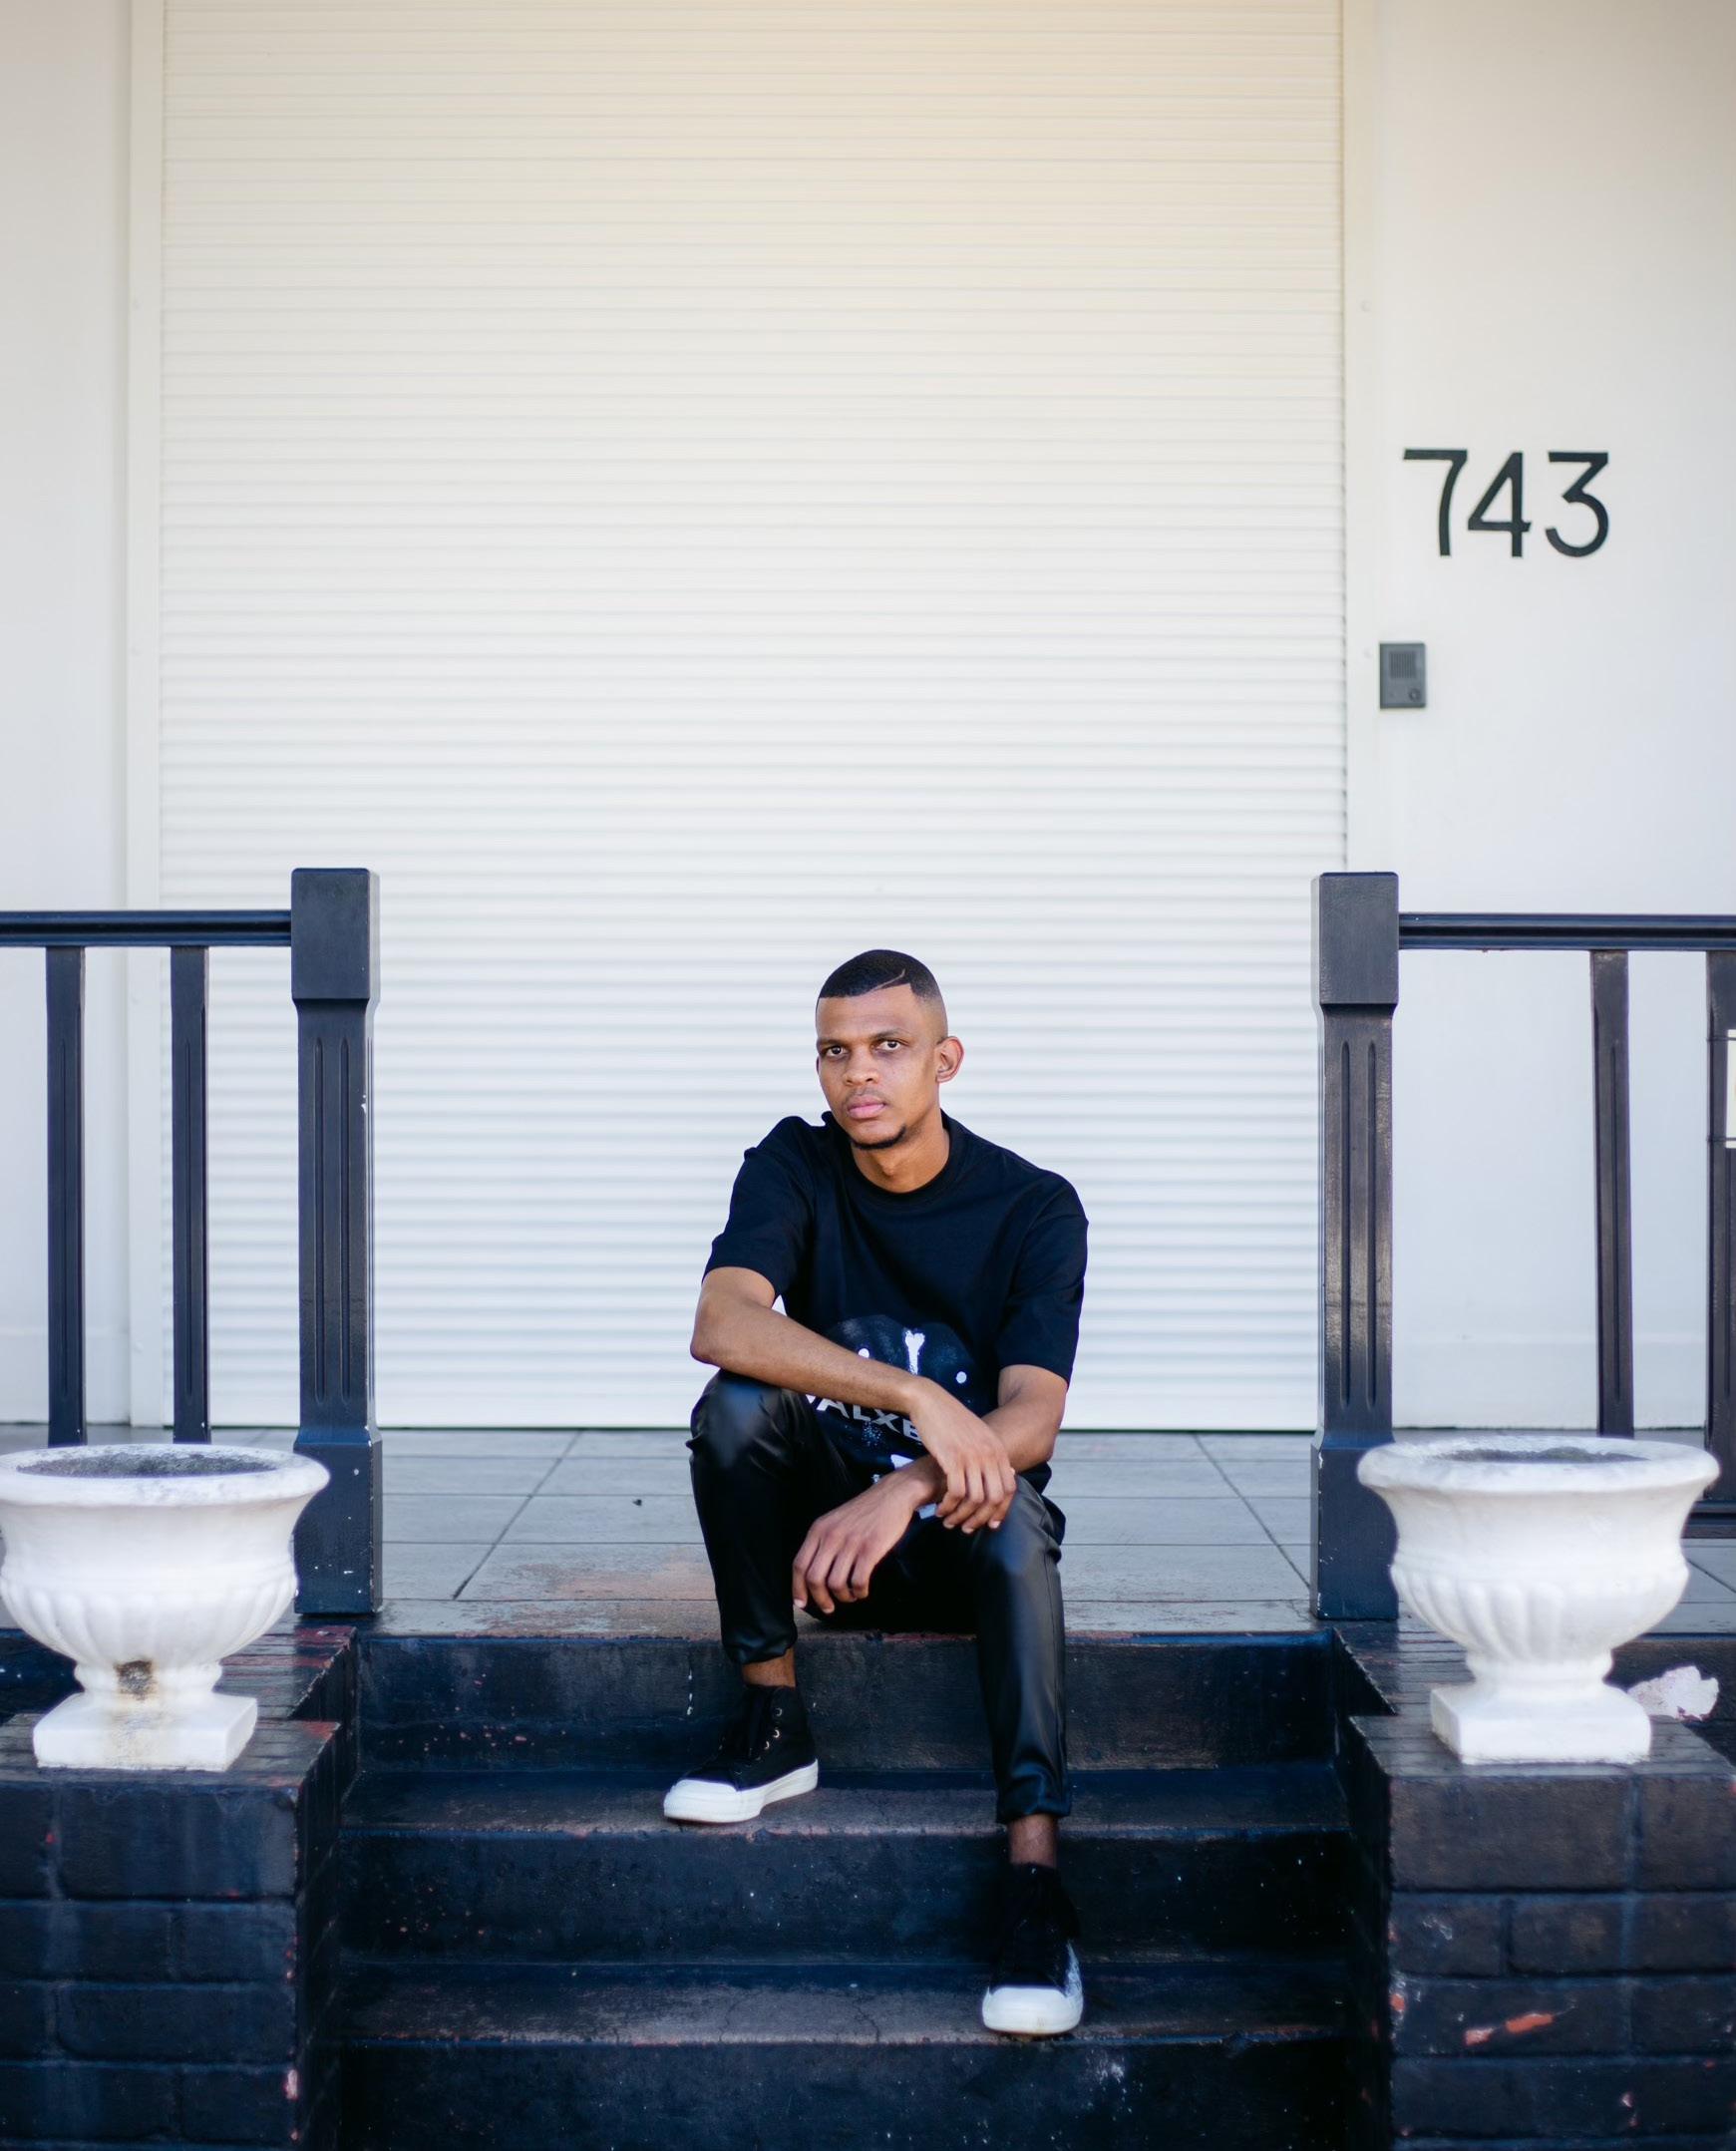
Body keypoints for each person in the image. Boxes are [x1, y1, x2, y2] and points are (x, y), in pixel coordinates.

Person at [665, 947, 1090, 2036]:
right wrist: (914, 1394)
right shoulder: (793, 1163)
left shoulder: (1033, 1206)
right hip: (824, 1553)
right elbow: (723, 1323)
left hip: (956, 1531)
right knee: (734, 1407)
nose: (859, 1072)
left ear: (946, 1059)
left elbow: (1032, 1416)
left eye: (889, 1046)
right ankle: (773, 1719)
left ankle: (1034, 1877)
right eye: (835, 1051)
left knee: (1017, 1525)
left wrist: (908, 1482)